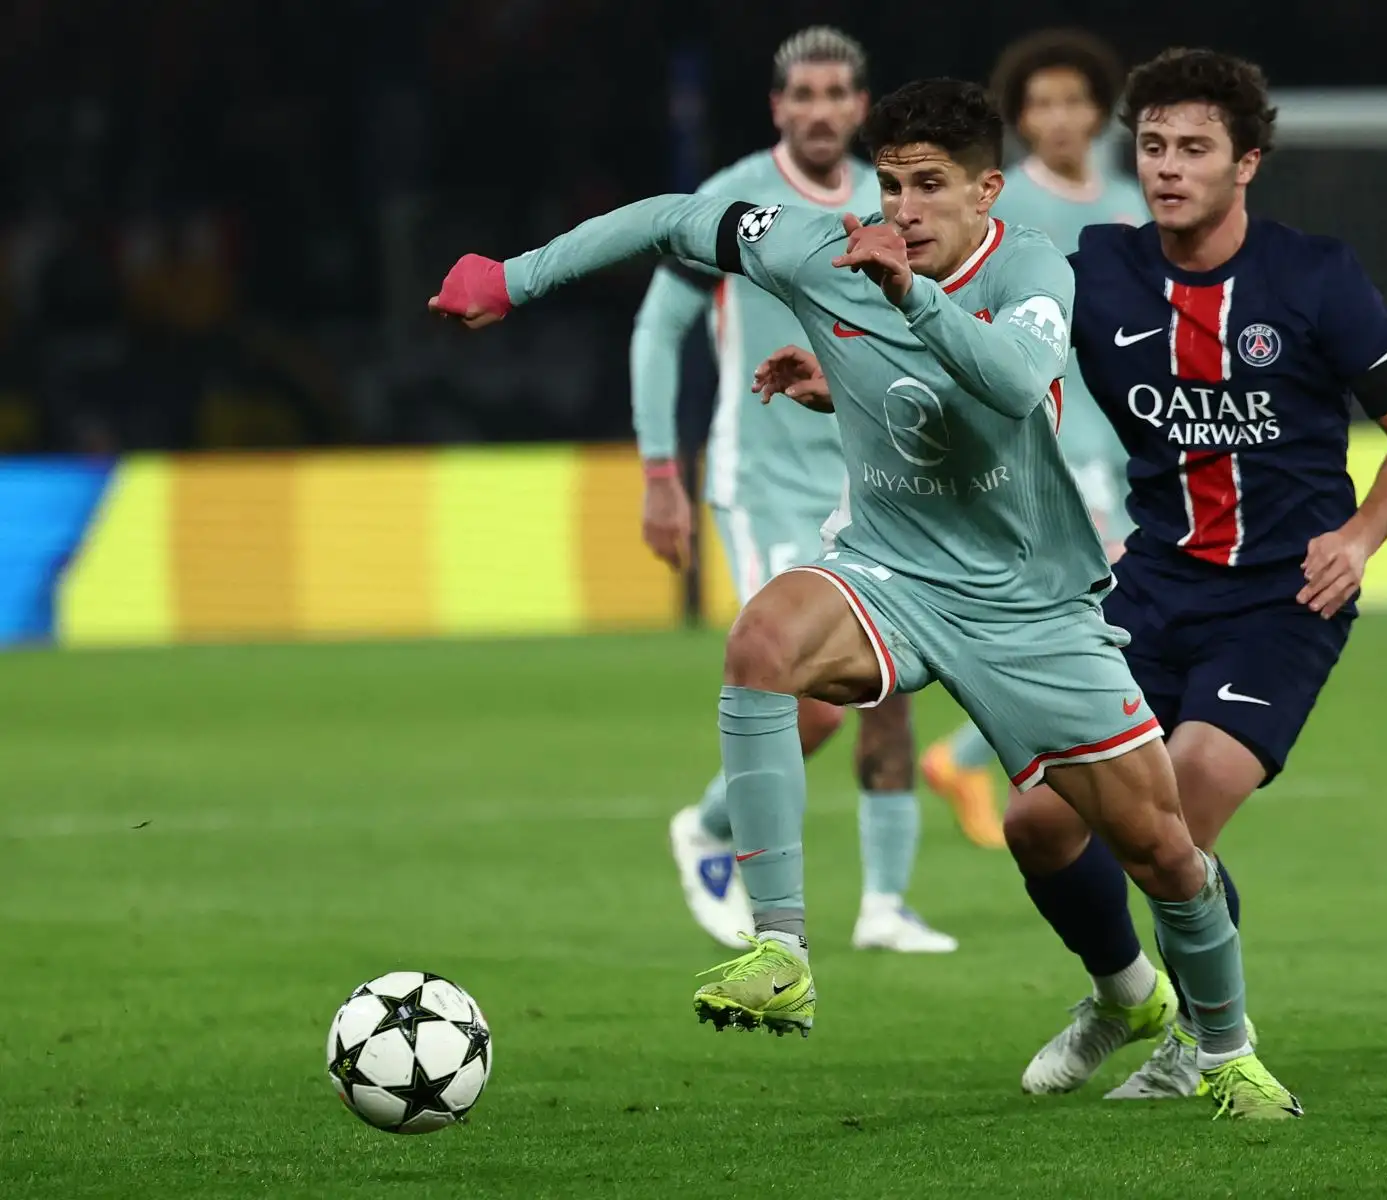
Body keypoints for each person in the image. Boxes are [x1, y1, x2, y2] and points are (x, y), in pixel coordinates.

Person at [430, 76, 1300, 1117]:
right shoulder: (817, 246)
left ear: (987, 191)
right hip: (888, 572)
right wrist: (512, 279)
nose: (905, 210)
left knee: (1160, 849)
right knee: (762, 642)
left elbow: (1015, 382)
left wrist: (904, 300)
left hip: (1028, 606)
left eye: (930, 186)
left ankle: (1223, 1051)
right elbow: (669, 219)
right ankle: (780, 949)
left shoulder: (1029, 265)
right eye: (890, 186)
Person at [1009, 47, 1387, 1101]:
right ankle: (1125, 995)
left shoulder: (1315, 276)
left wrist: (1358, 540)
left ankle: (1204, 1041)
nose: (1168, 167)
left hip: (1280, 601)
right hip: (1150, 586)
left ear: (1246, 162)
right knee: (1035, 825)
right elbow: (988, 358)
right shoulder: (1096, 269)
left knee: (1177, 811)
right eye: (1153, 146)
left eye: (1194, 148)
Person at [631, 26, 955, 956]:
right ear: (778, 108)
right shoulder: (731, 199)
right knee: (812, 692)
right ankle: (709, 828)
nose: (818, 110)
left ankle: (885, 905)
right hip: (765, 485)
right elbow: (661, 332)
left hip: (875, 479)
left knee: (893, 681)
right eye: (801, 95)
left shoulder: (885, 202)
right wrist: (663, 473)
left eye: (835, 94)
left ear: (860, 106)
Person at [920, 29, 1146, 853]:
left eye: (1074, 100)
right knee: (1105, 593)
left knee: (1106, 599)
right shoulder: (1003, 199)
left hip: (1126, 426)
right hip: (1050, 430)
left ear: (1098, 111)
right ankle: (983, 752)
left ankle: (997, 756)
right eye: (1041, 103)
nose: (1059, 116)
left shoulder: (1129, 199)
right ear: (1020, 117)